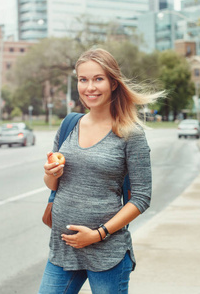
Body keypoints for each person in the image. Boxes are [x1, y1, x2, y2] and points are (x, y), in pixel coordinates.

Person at [39, 48, 162, 294]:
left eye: (98, 79)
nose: (90, 87)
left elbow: (141, 197)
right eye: (83, 79)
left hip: (108, 253)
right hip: (64, 248)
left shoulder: (130, 133)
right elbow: (53, 186)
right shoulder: (69, 125)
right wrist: (51, 172)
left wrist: (98, 234)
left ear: (113, 83)